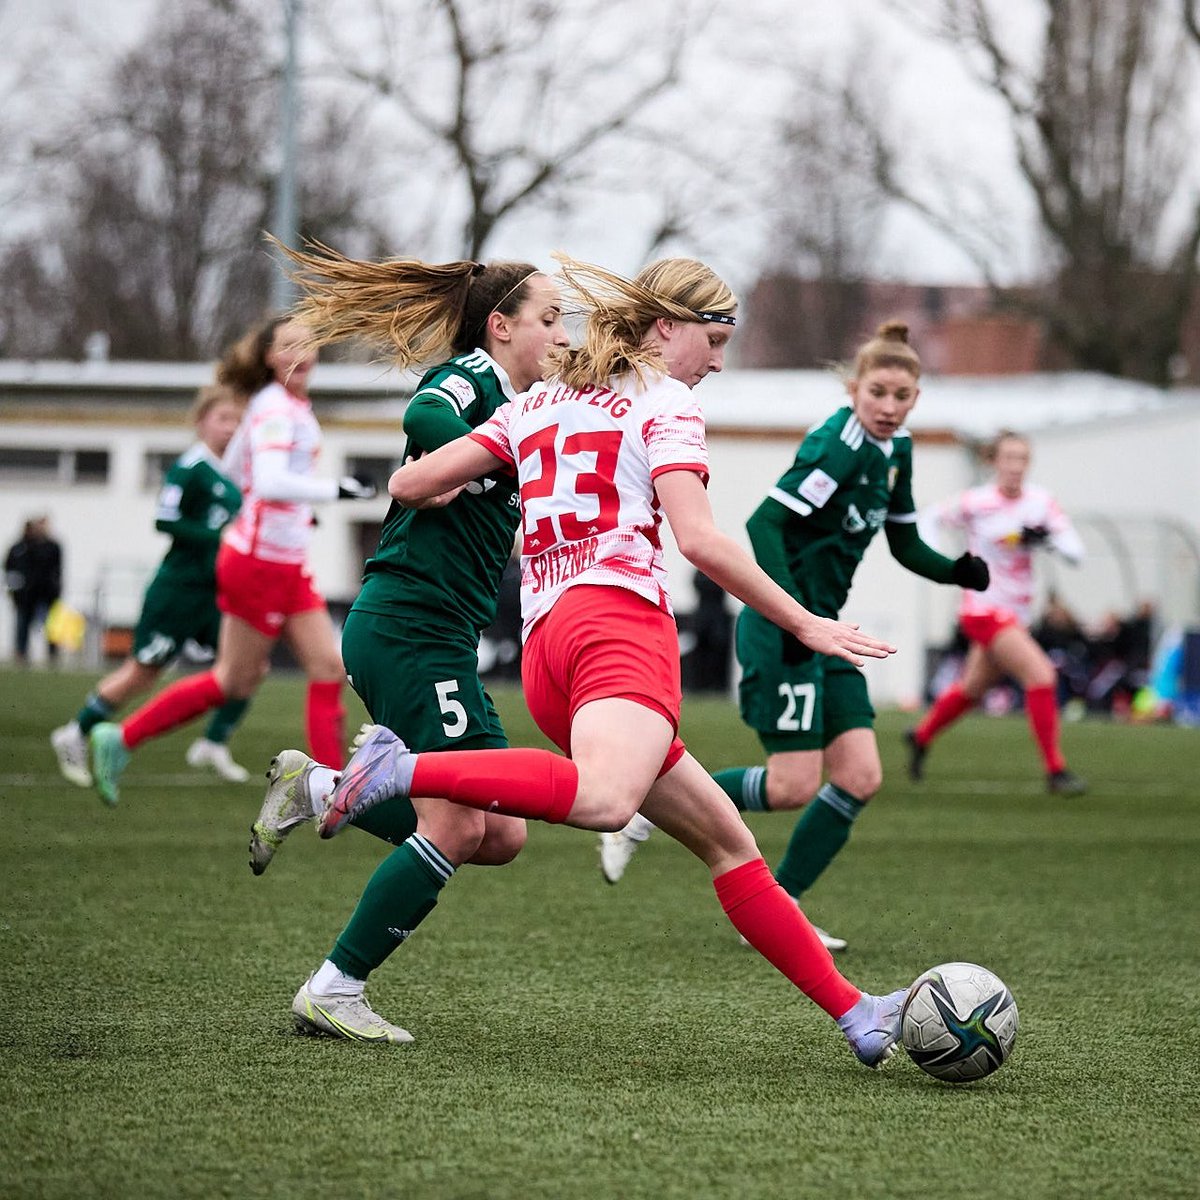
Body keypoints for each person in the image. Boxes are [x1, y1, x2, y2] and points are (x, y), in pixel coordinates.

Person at [307, 255, 915, 1069]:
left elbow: (415, 482)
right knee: (602, 802)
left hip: (548, 646)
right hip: (617, 632)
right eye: (714, 339)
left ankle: (856, 1012)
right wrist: (806, 622)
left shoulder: (540, 402)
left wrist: (464, 476)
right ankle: (402, 770)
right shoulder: (665, 402)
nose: (719, 362)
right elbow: (698, 539)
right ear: (665, 328)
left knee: (733, 849)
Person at [245, 247, 570, 1044]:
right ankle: (334, 987)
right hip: (407, 627)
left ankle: (321, 790)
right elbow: (427, 413)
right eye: (551, 319)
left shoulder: (525, 406)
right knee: (458, 825)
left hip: (436, 637)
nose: (563, 335)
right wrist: (463, 460)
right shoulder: (476, 379)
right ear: (501, 327)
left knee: (503, 833)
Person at [597, 321, 991, 955]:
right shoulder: (837, 447)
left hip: (826, 631)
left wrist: (955, 571)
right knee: (791, 787)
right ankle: (645, 803)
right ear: (855, 389)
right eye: (878, 394)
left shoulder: (898, 451)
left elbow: (903, 539)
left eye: (903, 396)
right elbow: (766, 523)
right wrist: (794, 618)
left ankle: (783, 908)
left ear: (916, 397)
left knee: (860, 775)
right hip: (787, 629)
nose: (889, 408)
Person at [87, 315, 377, 805]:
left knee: (328, 669)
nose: (300, 353)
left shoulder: (281, 406)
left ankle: (332, 791)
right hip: (258, 565)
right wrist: (336, 490)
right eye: (288, 345)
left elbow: (240, 470)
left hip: (284, 561)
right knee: (232, 679)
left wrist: (282, 513)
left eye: (308, 344)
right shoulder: (275, 409)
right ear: (269, 356)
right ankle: (119, 738)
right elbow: (267, 481)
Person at [50, 385, 255, 788]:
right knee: (143, 672)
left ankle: (213, 742)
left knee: (250, 665)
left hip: (218, 592)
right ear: (201, 423)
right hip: (179, 590)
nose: (231, 428)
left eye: (237, 420)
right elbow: (164, 520)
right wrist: (220, 535)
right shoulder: (190, 467)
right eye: (223, 419)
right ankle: (75, 731)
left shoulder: (233, 473)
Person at [906, 429, 1087, 794]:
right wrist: (943, 564)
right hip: (983, 609)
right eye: (1009, 458)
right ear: (995, 461)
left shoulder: (1040, 502)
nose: (1015, 466)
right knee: (1041, 676)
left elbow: (1076, 551)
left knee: (973, 688)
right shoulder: (976, 501)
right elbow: (927, 521)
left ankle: (920, 735)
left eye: (1022, 459)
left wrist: (1048, 538)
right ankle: (1055, 770)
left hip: (1016, 613)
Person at [5, 516, 63, 664]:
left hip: (47, 594)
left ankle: (52, 654)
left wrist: (55, 589)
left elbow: (56, 570)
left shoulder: (51, 547)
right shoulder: (20, 548)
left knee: (50, 626)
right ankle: (21, 653)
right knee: (23, 624)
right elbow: (10, 569)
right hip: (26, 596)